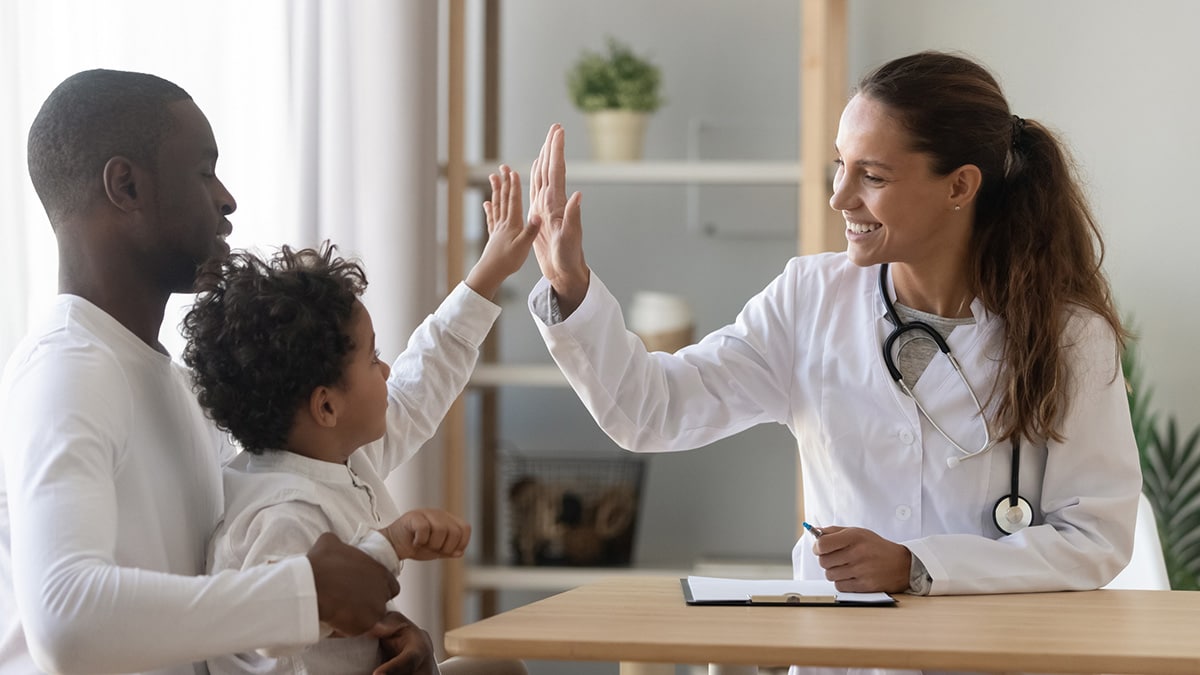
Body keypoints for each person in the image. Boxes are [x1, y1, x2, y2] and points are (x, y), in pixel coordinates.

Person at [521, 50, 1140, 612]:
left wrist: (919, 565)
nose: (839, 196)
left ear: (959, 185)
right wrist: (572, 293)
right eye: (839, 166)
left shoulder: (1069, 336)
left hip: (987, 652)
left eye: (872, 176)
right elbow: (650, 411)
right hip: (842, 651)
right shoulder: (808, 300)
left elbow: (1094, 538)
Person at [0, 68, 518, 675]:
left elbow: (378, 422)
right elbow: (66, 623)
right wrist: (309, 597)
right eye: (202, 171)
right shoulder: (68, 370)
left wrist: (376, 628)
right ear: (126, 186)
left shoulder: (173, 387)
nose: (226, 198)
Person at [183, 242, 529, 675]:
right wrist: (388, 545)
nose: (386, 372)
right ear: (326, 408)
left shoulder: (332, 458)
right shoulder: (281, 513)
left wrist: (488, 275)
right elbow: (270, 634)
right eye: (373, 359)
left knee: (500, 669)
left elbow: (420, 387)